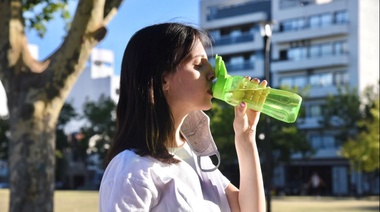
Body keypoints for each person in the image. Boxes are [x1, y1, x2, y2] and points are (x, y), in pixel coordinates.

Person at [99, 22, 266, 212]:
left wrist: (246, 138)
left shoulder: (195, 157)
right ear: (163, 80)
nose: (212, 73)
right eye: (198, 65)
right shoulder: (131, 170)